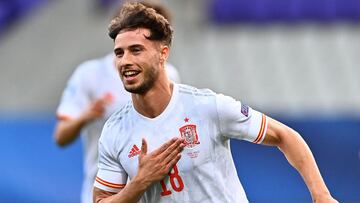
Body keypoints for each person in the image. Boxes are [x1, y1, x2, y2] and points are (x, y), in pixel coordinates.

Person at [93, 2, 338, 203]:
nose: (125, 60)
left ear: (162, 53)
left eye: (136, 50)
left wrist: (321, 195)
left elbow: (285, 136)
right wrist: (138, 184)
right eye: (119, 53)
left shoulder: (207, 107)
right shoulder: (115, 130)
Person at [53, 2, 181, 203]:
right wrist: (86, 116)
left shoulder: (169, 74)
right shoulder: (89, 75)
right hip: (105, 192)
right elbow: (61, 136)